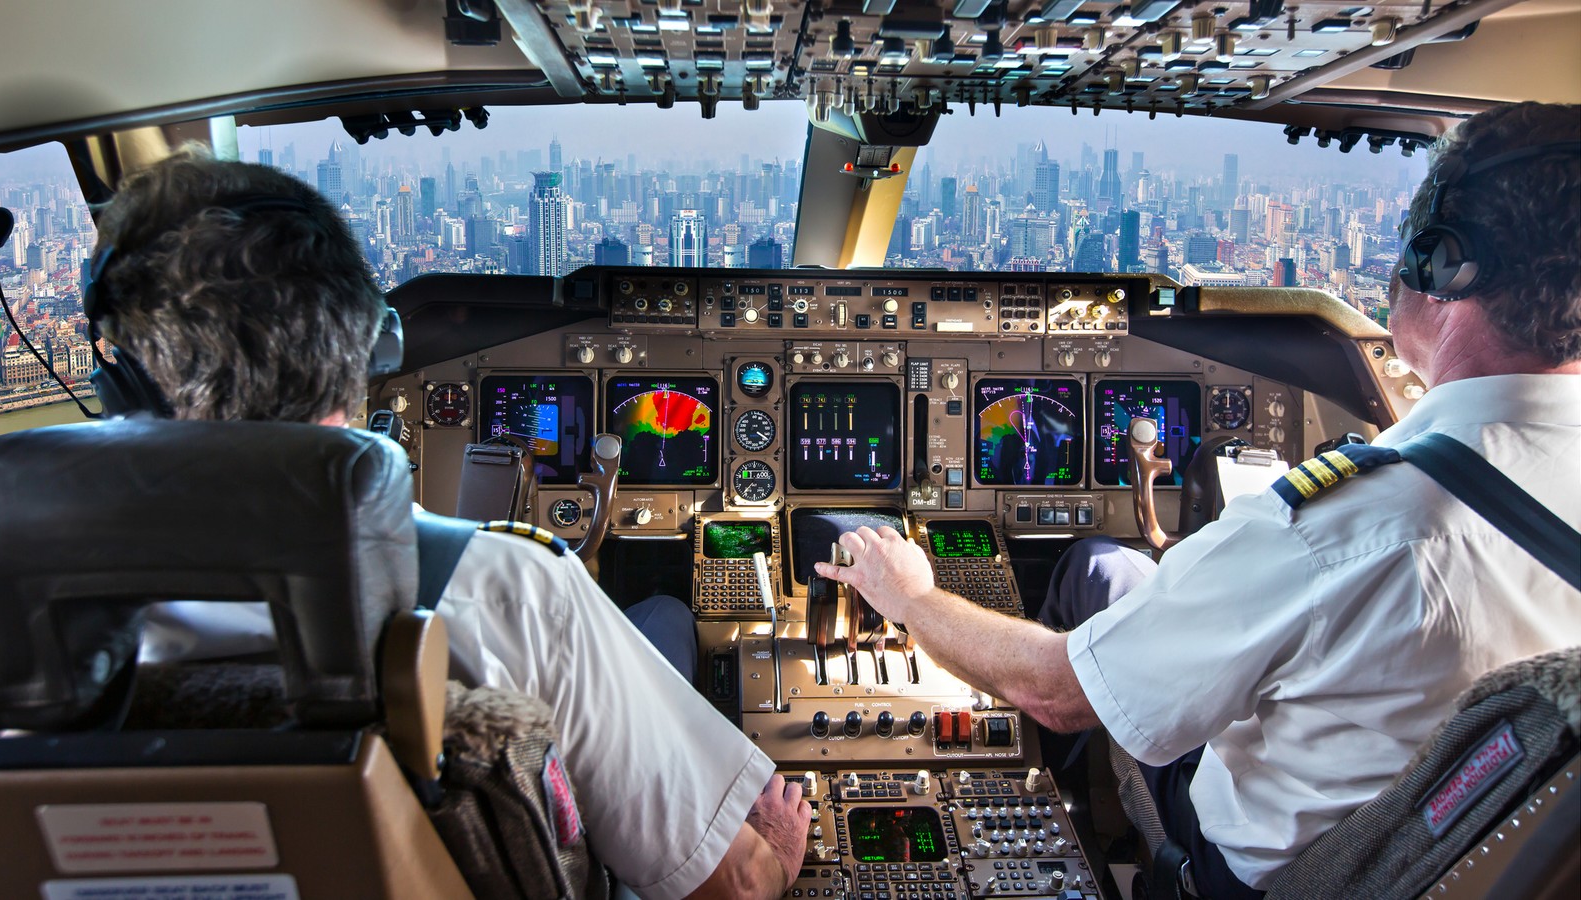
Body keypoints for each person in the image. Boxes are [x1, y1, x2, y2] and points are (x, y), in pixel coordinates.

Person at [817, 101, 1581, 897]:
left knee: (1094, 633)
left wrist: (909, 597)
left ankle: (1071, 805)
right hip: (1415, 862)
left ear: (1440, 264)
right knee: (1105, 569)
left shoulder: (1340, 529)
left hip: (1251, 876)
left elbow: (1058, 692)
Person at [89, 147, 809, 900]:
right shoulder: (511, 590)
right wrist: (777, 855)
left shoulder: (14, 613)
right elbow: (735, 891)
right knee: (663, 615)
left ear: (123, 386)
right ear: (366, 350)